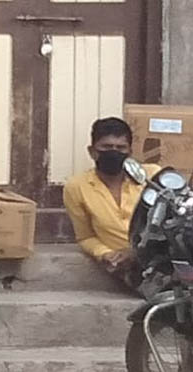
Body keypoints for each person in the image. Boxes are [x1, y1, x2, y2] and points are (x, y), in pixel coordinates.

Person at [63, 117, 160, 281]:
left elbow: (173, 222)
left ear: (130, 152)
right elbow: (85, 237)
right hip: (128, 270)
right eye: (107, 147)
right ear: (92, 151)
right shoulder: (77, 187)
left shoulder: (152, 176)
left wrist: (138, 251)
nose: (114, 152)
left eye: (120, 148)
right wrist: (105, 254)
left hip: (161, 258)